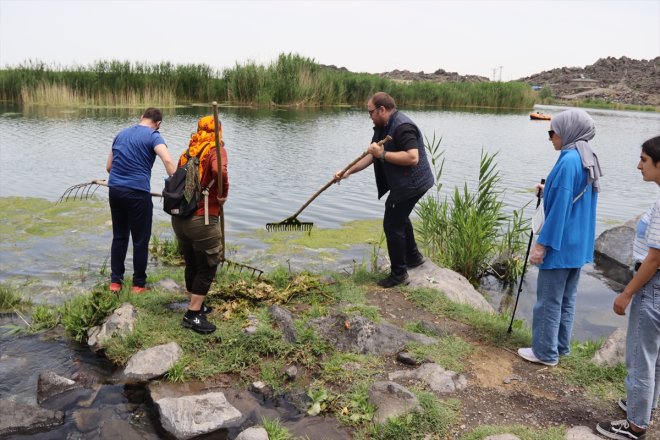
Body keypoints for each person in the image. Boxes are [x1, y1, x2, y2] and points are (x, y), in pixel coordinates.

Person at [517, 109, 602, 367]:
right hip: (578, 244)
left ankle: (544, 352)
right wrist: (549, 189)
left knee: (548, 301)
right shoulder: (586, 158)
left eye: (552, 132)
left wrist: (541, 245)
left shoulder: (567, 161)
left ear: (568, 131)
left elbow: (562, 208)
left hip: (560, 244)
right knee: (566, 299)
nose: (550, 137)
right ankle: (560, 347)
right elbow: (575, 197)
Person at [334, 92, 434, 288]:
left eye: (370, 111)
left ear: (382, 109)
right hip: (405, 183)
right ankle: (413, 257)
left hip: (413, 183)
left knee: (392, 223)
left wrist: (383, 153)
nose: (369, 115)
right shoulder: (382, 127)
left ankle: (399, 274)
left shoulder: (403, 127)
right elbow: (372, 155)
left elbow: (413, 157)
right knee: (399, 216)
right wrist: (347, 173)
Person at [596, 135, 660, 440]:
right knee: (654, 356)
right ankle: (643, 408)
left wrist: (627, 293)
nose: (638, 166)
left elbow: (654, 259)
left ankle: (635, 425)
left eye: (644, 160)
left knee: (640, 357)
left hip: (652, 287)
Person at [106, 108, 176, 293]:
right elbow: (168, 161)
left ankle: (115, 282)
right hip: (137, 193)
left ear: (141, 118)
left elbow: (109, 167)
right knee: (140, 239)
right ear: (158, 123)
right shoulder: (154, 136)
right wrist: (177, 184)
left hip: (115, 190)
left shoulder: (120, 134)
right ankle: (138, 285)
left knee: (119, 236)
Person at [171, 115, 228, 334]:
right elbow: (220, 171)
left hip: (180, 219)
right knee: (207, 265)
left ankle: (198, 304)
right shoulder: (216, 150)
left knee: (192, 262)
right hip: (202, 219)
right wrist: (222, 195)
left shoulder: (187, 153)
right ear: (218, 131)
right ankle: (193, 315)